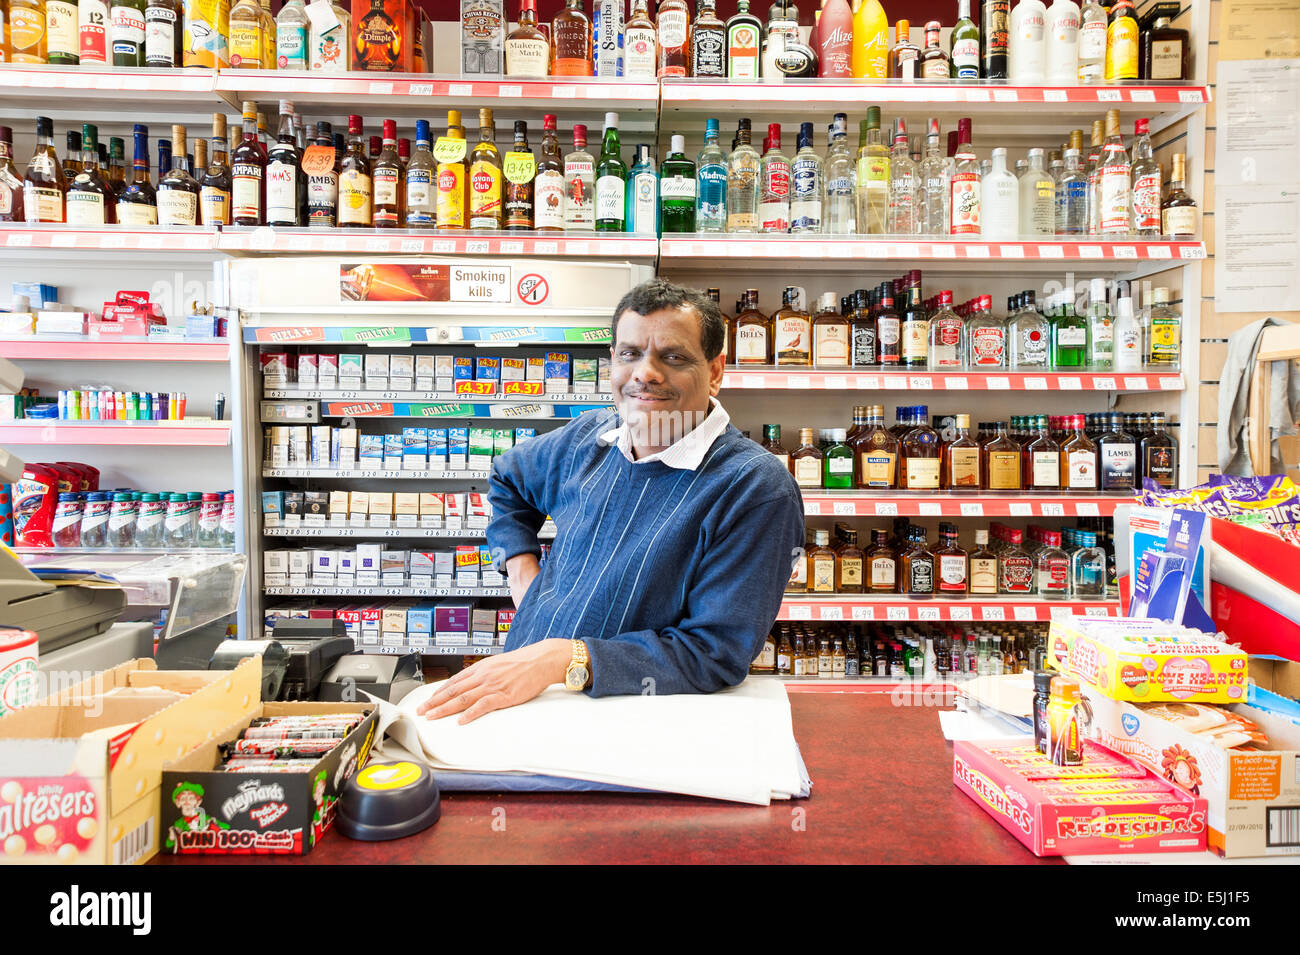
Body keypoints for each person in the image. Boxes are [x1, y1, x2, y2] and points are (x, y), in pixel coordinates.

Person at [417, 278, 804, 724]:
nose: (645, 373)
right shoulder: (590, 436)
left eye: (673, 357)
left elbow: (713, 653)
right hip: (518, 698)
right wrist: (519, 565)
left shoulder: (752, 487)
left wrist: (561, 659)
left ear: (715, 371)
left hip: (629, 726)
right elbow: (508, 477)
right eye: (630, 354)